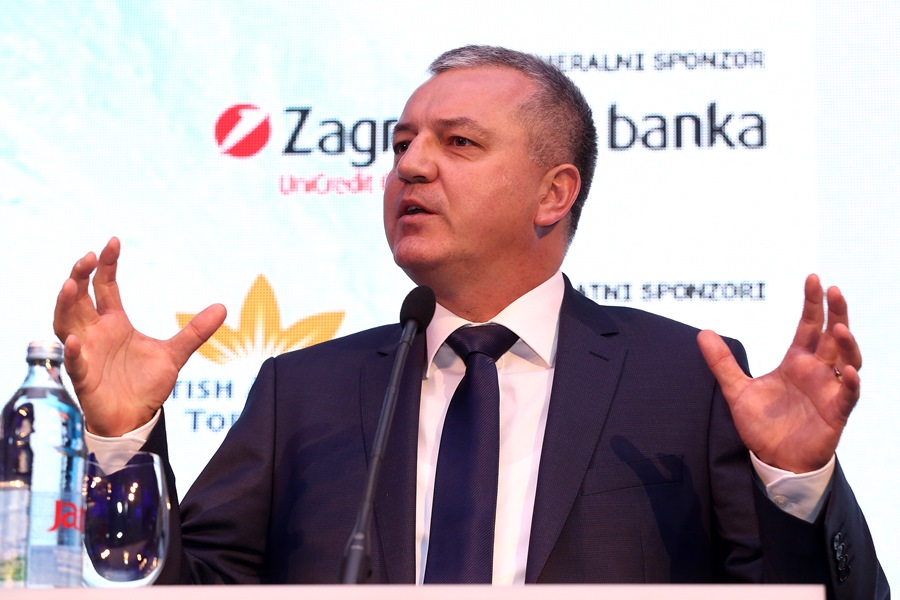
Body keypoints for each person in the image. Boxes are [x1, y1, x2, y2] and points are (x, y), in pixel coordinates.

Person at [54, 45, 888, 595]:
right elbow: (175, 593)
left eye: (457, 143)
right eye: (401, 144)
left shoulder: (682, 381)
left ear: (554, 193)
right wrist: (122, 445)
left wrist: (797, 485)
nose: (410, 166)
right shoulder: (300, 393)